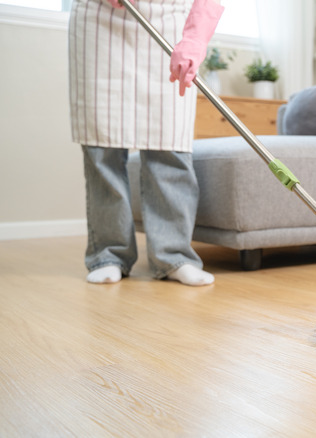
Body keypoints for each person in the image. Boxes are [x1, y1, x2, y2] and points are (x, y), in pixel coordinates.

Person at [68, 0, 224, 285]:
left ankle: (174, 255)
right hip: (101, 18)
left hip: (170, 22)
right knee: (102, 144)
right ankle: (108, 254)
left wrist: (194, 39)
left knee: (171, 143)